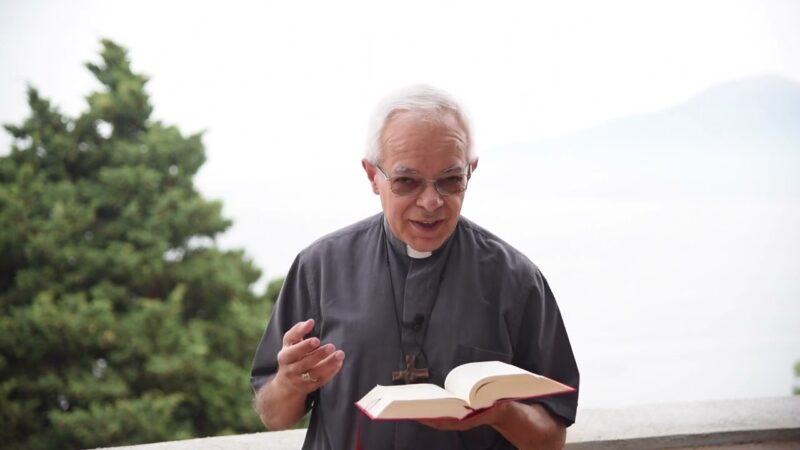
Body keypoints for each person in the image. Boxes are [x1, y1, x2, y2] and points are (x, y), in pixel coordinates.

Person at [251, 85, 579, 449]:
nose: (431, 201)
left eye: (451, 180)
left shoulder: (515, 279)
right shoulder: (319, 268)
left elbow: (551, 439)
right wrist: (289, 383)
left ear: (470, 172)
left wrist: (501, 413)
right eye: (407, 181)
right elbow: (273, 415)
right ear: (372, 176)